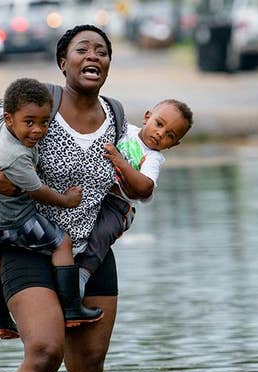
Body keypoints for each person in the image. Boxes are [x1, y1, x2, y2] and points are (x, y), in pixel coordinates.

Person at [0, 24, 129, 372]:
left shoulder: (117, 115)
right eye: (82, 49)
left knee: (89, 364)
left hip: (89, 253)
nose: (94, 56)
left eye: (102, 51)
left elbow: (134, 172)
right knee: (46, 351)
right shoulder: (37, 102)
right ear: (62, 62)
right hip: (28, 243)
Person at [0, 77, 103, 339]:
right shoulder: (16, 155)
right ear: (10, 119)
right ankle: (72, 308)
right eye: (28, 122)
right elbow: (38, 191)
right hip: (14, 221)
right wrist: (66, 200)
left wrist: (4, 104)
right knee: (61, 242)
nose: (37, 131)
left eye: (44, 122)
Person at [78, 99, 194, 293]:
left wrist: (120, 161)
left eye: (169, 135)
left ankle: (82, 274)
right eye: (159, 124)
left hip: (117, 204)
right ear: (147, 117)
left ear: (173, 145)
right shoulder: (125, 131)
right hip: (96, 189)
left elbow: (145, 187)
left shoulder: (152, 158)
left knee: (103, 233)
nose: (160, 134)